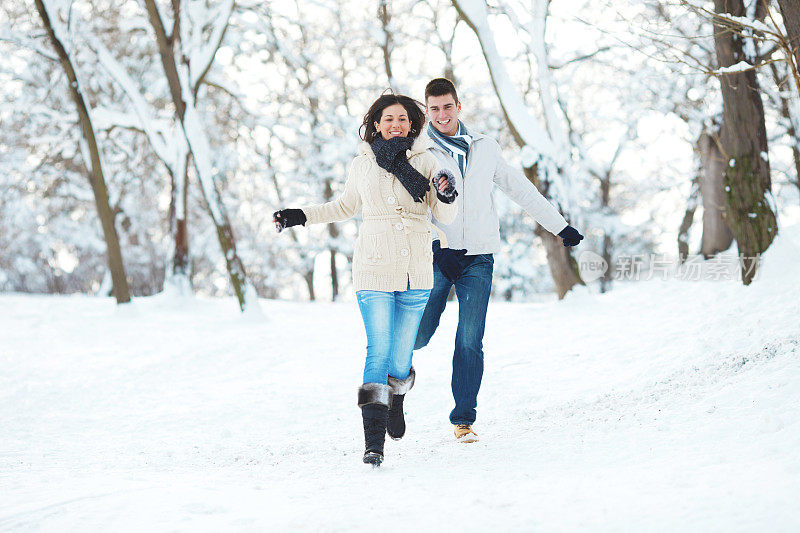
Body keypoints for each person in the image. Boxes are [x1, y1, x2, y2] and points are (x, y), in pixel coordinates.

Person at [273, 93, 458, 466]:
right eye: (388, 118)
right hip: (373, 266)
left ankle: (397, 397)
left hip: (416, 268)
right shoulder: (363, 164)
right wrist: (298, 215)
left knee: (401, 355)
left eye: (403, 119)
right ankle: (374, 443)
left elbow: (446, 216)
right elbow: (343, 206)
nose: (396, 124)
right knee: (379, 349)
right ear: (376, 124)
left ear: (413, 124)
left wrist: (447, 192)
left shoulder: (428, 162)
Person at [414, 78, 584, 442]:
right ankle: (396, 368)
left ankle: (463, 420)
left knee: (470, 338)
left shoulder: (485, 147)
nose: (442, 114)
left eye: (447, 106)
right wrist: (436, 246)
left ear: (458, 106)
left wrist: (560, 226)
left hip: (478, 257)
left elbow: (520, 188)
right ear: (426, 110)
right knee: (421, 332)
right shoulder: (420, 150)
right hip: (437, 256)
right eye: (434, 108)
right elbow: (414, 208)